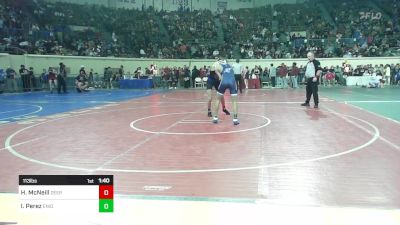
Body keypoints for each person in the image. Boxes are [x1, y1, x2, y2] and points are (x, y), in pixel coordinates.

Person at [212, 59, 239, 125]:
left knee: (218, 99)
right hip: (232, 82)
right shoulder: (231, 65)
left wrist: (219, 75)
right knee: (234, 101)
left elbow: (214, 70)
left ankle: (215, 118)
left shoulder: (219, 65)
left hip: (223, 82)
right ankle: (235, 119)